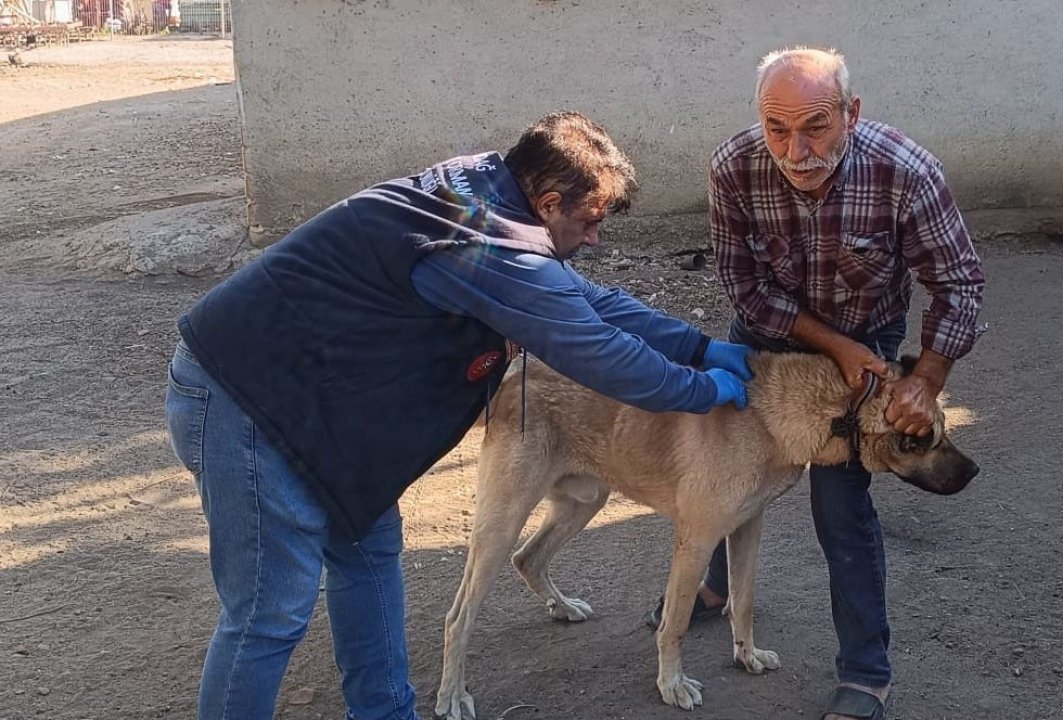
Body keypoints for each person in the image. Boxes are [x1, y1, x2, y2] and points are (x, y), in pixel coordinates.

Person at [163, 111, 754, 720]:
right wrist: (700, 389)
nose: (596, 240)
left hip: (323, 409)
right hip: (245, 398)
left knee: (368, 560)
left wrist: (698, 345)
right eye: (591, 222)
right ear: (549, 203)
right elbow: (599, 355)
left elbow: (588, 301)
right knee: (270, 610)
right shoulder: (488, 247)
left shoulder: (483, 192)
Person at [647, 48, 985, 720]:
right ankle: (713, 586)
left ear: (851, 114)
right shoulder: (734, 167)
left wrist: (925, 379)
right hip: (770, 334)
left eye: (815, 127)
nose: (795, 150)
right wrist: (832, 343)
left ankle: (865, 673)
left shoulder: (905, 173)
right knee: (723, 476)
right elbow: (745, 287)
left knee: (840, 506)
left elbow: (959, 284)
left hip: (872, 340)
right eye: (777, 129)